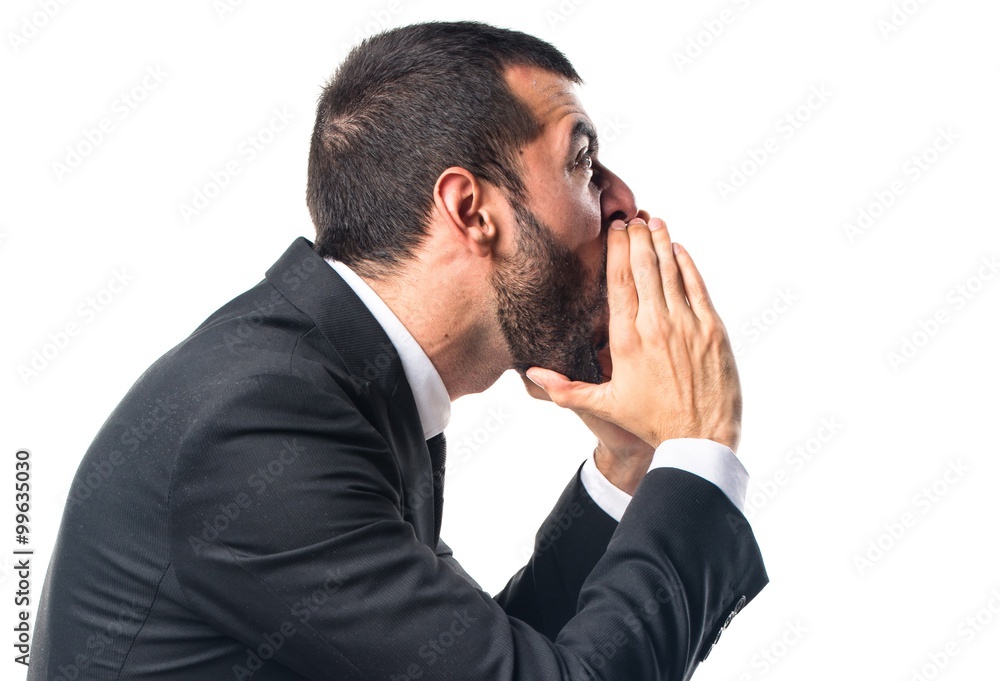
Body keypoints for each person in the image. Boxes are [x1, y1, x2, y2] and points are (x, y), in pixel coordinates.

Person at [29, 21, 767, 680]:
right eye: (582, 161)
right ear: (471, 209)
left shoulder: (334, 381)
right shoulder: (258, 425)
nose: (622, 199)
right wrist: (697, 448)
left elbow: (492, 657)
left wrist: (631, 463)